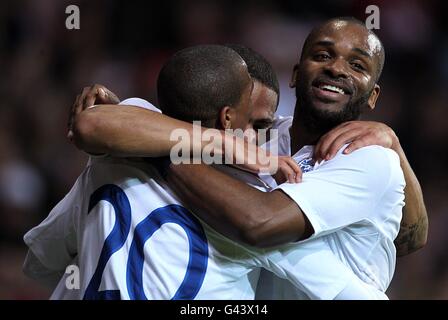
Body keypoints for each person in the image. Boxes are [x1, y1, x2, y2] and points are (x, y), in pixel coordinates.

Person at [64, 27, 426, 298]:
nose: (337, 69)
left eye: (357, 64)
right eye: (324, 54)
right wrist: (141, 121)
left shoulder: (370, 157)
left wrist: (157, 150)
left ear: (373, 94)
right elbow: (96, 125)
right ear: (296, 74)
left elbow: (258, 222)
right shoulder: (256, 135)